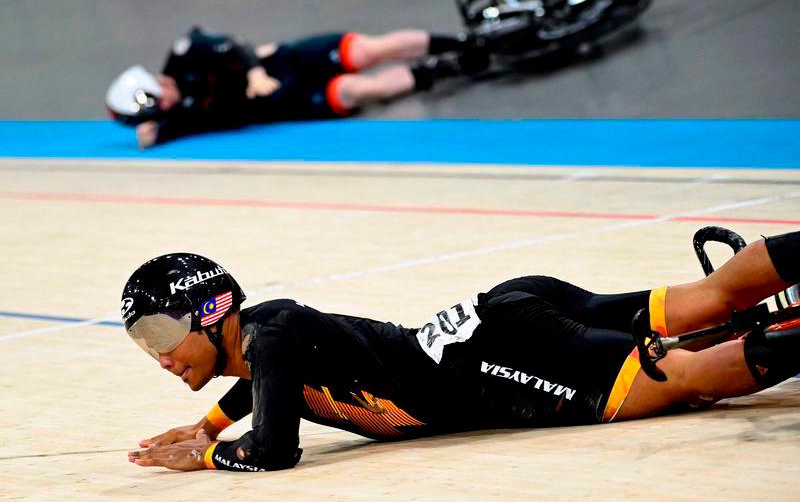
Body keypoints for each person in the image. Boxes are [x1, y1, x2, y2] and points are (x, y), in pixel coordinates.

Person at [122, 231, 800, 472]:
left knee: (685, 378)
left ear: (213, 314)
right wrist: (209, 422)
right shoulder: (269, 334)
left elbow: (274, 450)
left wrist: (209, 453)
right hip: (506, 313)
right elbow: (273, 378)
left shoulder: (272, 337)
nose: (158, 357)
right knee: (708, 298)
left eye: (161, 333)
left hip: (500, 361)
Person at [106, 27, 484, 149]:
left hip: (290, 62)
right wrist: (153, 129)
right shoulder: (177, 117)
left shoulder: (184, 53)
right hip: (291, 101)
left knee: (370, 49)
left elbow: (232, 44)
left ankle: (458, 41)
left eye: (160, 102)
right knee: (358, 89)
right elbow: (160, 130)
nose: (167, 107)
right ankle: (443, 68)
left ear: (155, 82)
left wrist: (254, 72)